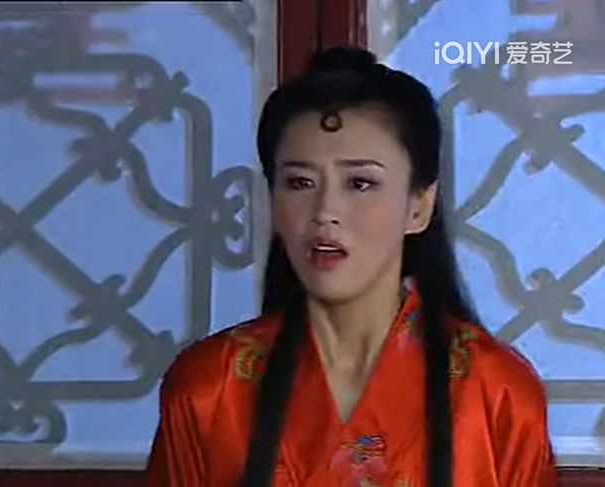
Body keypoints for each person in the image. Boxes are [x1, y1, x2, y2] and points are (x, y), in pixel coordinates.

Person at [146, 47, 557, 487]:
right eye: (300, 182)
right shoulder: (210, 386)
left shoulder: (497, 391)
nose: (325, 211)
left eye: (360, 183)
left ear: (419, 205)